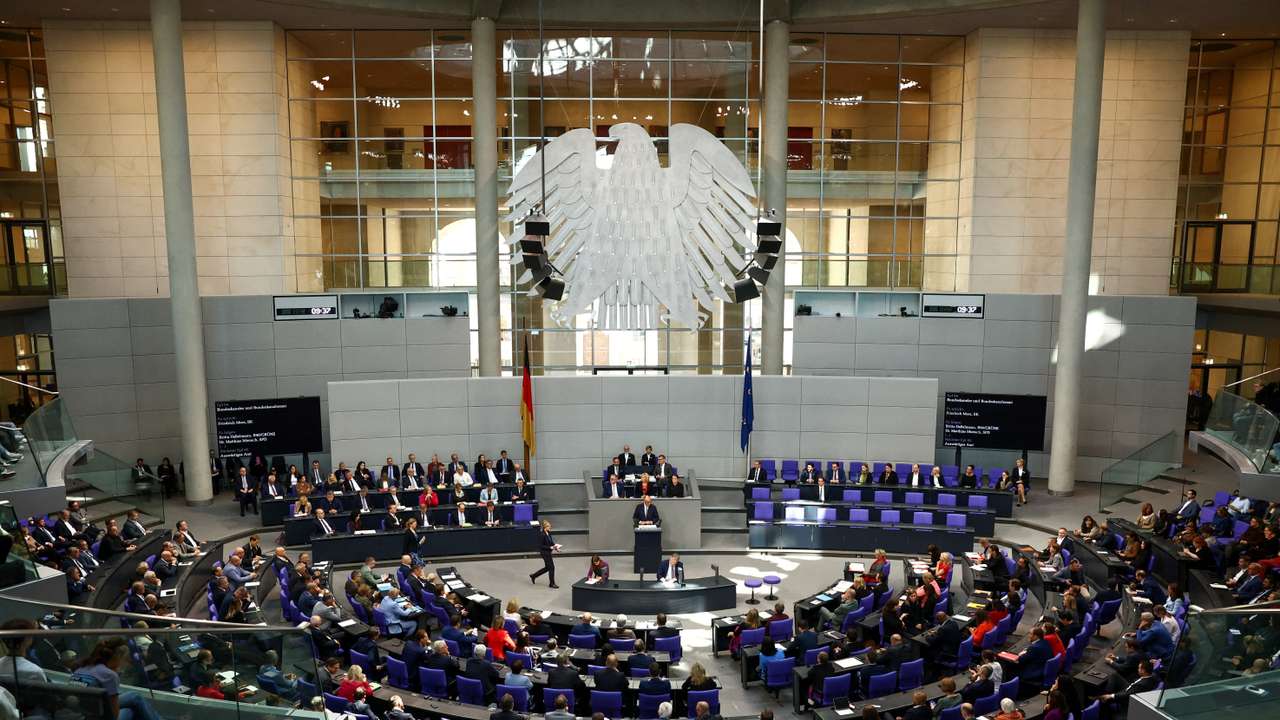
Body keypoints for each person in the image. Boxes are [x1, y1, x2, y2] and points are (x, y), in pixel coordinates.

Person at [72, 638, 163, 720]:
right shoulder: (109, 675)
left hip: (83, 714)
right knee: (133, 703)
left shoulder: (80, 669)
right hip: (97, 714)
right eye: (124, 659)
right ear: (117, 658)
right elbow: (114, 713)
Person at [530, 520, 559, 588]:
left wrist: (556, 547)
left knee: (547, 568)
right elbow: (540, 546)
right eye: (549, 526)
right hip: (544, 553)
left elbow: (551, 542)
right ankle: (552, 584)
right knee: (552, 567)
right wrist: (550, 547)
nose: (550, 527)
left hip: (548, 552)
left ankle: (534, 576)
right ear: (545, 527)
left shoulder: (548, 532)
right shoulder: (542, 534)